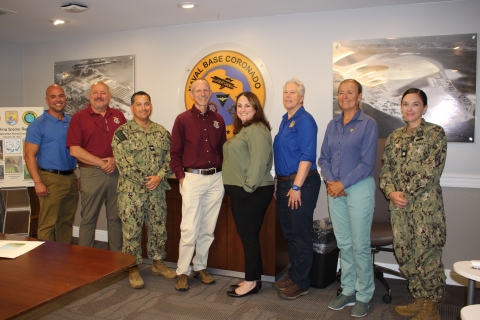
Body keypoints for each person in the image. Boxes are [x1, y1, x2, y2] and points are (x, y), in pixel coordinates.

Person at [380, 88, 446, 320]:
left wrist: (403, 192)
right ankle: (420, 299)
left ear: (424, 108)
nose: (409, 109)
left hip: (424, 210)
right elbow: (385, 169)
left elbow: (431, 172)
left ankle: (432, 307)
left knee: (427, 257)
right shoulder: (395, 137)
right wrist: (391, 192)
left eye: (415, 104)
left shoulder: (435, 134)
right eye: (406, 104)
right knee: (406, 255)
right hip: (400, 210)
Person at [319, 79, 378, 317]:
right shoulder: (332, 125)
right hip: (335, 190)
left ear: (359, 96)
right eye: (341, 93)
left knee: (360, 245)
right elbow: (323, 158)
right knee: (344, 244)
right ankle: (348, 290)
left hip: (359, 189)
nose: (344, 96)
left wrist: (341, 184)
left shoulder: (369, 124)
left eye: (350, 93)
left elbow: (367, 163)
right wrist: (333, 183)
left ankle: (364, 294)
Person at [112, 91, 177, 289]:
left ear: (151, 106)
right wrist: (146, 180)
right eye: (139, 104)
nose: (143, 108)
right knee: (131, 231)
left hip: (156, 190)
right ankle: (132, 267)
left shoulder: (162, 132)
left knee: (158, 228)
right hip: (131, 192)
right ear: (132, 108)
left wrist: (159, 176)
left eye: (146, 104)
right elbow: (123, 163)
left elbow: (172, 157)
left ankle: (158, 263)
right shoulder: (122, 133)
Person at [170, 78, 227, 291]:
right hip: (192, 177)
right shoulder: (182, 119)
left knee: (208, 228)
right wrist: (182, 177)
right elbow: (174, 153)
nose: (202, 94)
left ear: (210, 93)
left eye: (206, 90)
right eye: (198, 91)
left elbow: (222, 151)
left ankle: (200, 267)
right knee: (189, 228)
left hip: (215, 179)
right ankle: (182, 271)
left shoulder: (218, 120)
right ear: (192, 94)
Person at [272, 78, 321, 300]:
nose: (288, 95)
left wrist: (295, 186)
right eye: (285, 92)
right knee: (289, 234)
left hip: (302, 184)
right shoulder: (285, 120)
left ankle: (302, 282)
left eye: (293, 92)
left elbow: (307, 156)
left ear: (302, 97)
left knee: (300, 234)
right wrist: (278, 183)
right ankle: (294, 275)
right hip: (284, 184)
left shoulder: (305, 121)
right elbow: (282, 155)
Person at [223, 92, 274, 298]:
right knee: (248, 238)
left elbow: (259, 162)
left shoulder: (258, 130)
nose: (242, 109)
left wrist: (246, 190)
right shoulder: (246, 129)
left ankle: (251, 282)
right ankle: (252, 278)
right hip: (245, 191)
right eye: (239, 105)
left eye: (247, 105)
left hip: (252, 191)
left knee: (249, 238)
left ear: (256, 108)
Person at [66, 81, 127, 251]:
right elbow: (75, 150)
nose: (99, 96)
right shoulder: (79, 117)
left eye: (103, 93)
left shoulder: (118, 116)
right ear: (89, 96)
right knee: (88, 218)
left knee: (115, 218)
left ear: (109, 97)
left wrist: (114, 160)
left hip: (116, 173)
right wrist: (101, 163)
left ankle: (117, 259)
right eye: (95, 93)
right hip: (91, 174)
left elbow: (126, 145)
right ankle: (85, 260)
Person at [24, 84, 78, 244]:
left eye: (60, 96)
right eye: (53, 97)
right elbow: (29, 155)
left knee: (66, 222)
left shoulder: (71, 121)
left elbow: (77, 149)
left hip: (71, 177)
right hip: (50, 178)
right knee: (48, 224)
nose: (58, 100)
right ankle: (45, 263)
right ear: (47, 100)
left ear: (65, 98)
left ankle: (63, 259)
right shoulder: (38, 124)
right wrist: (38, 182)